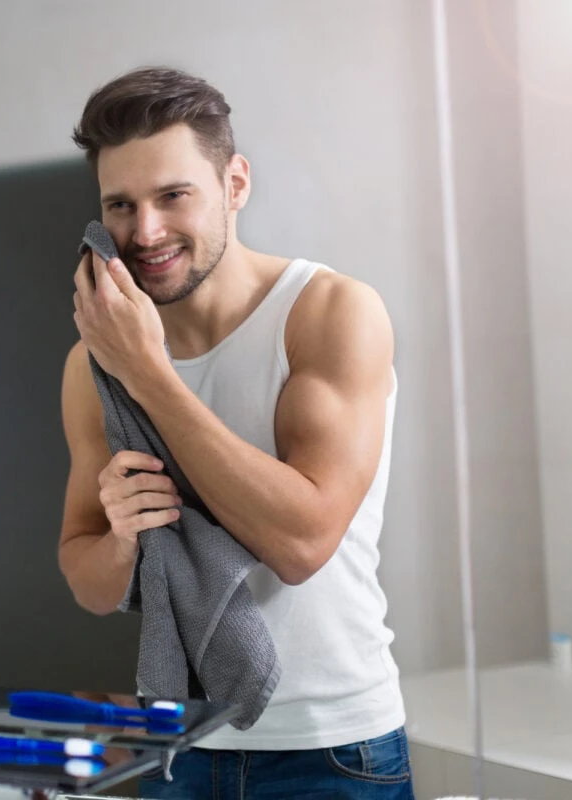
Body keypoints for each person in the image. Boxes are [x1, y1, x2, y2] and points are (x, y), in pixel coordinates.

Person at [57, 67, 412, 798]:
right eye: (120, 205)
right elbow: (86, 578)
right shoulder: (90, 364)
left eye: (173, 195)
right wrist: (124, 540)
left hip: (332, 750)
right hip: (176, 748)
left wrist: (150, 374)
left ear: (235, 184)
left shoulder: (329, 314)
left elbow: (302, 543)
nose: (144, 231)